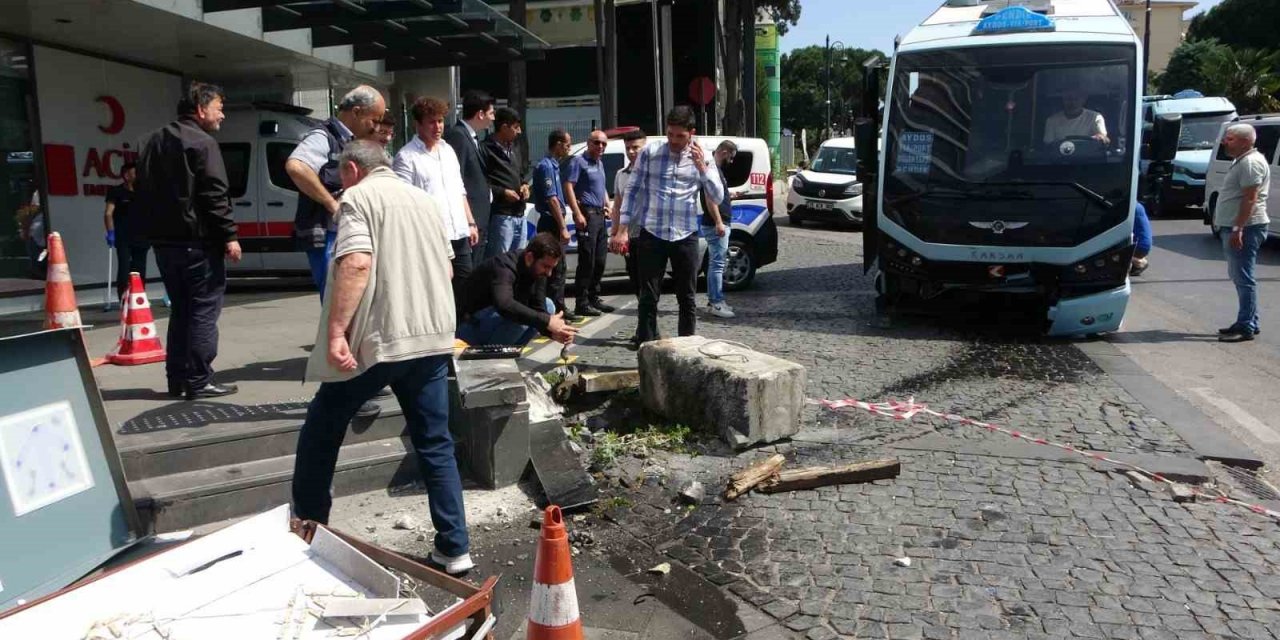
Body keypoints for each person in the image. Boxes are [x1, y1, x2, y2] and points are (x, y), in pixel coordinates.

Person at [291, 140, 473, 575]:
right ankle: (455, 548)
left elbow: (355, 263)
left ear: (352, 169)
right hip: (431, 338)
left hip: (380, 339)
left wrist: (337, 332)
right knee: (435, 442)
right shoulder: (425, 201)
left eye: (340, 174)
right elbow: (446, 269)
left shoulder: (357, 198)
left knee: (322, 429)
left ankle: (309, 528)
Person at [136, 81, 241, 400]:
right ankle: (198, 379)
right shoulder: (203, 143)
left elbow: (142, 191)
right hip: (197, 242)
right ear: (200, 108)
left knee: (181, 310)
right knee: (203, 309)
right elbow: (213, 194)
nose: (222, 115)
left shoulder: (150, 141)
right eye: (219, 108)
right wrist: (230, 235)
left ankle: (178, 378)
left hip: (164, 244)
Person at [610, 106, 724, 347]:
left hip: (685, 235)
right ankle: (648, 350)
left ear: (691, 133)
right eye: (670, 134)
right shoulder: (651, 152)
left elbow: (718, 195)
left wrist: (702, 168)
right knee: (648, 297)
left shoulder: (703, 156)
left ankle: (686, 353)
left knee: (687, 298)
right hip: (653, 233)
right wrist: (621, 229)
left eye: (680, 136)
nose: (673, 141)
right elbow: (632, 191)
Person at [285, 85, 386, 299]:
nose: (376, 127)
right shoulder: (323, 136)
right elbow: (296, 167)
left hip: (347, 231)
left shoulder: (354, 142)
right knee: (337, 298)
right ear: (357, 112)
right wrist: (331, 204)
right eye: (374, 120)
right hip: (328, 234)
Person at [393, 96, 480, 315]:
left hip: (458, 232)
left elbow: (459, 189)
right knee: (437, 290)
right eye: (431, 122)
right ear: (418, 124)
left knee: (465, 285)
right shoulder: (406, 157)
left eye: (440, 121)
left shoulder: (448, 151)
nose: (438, 127)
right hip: (431, 236)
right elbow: (404, 202)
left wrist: (470, 222)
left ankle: (460, 333)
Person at [458, 232, 579, 347]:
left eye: (552, 268)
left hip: (492, 319)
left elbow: (539, 307)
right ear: (530, 257)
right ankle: (494, 355)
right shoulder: (503, 266)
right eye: (546, 266)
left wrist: (553, 332)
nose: (549, 273)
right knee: (521, 314)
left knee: (548, 306)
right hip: (469, 325)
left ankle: (510, 353)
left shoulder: (538, 270)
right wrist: (547, 321)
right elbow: (504, 305)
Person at [1215, 123, 1271, 343]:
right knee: (1240, 276)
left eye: (1230, 138)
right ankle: (1248, 321)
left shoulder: (1250, 163)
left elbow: (1250, 198)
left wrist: (1238, 228)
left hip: (1246, 228)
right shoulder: (1242, 160)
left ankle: (1246, 326)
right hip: (1237, 227)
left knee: (1243, 278)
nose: (1224, 142)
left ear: (1245, 141)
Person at [564, 130, 615, 317]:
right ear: (588, 143)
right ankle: (582, 302)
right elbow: (569, 185)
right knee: (587, 260)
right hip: (587, 214)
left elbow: (601, 188)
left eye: (603, 144)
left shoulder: (599, 163)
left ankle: (594, 297)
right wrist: (577, 213)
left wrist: (607, 204)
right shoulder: (579, 162)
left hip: (600, 215)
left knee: (600, 260)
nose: (600, 146)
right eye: (596, 143)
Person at [532, 129, 578, 321]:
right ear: (558, 144)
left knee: (558, 268)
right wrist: (562, 227)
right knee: (554, 268)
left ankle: (557, 305)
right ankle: (554, 308)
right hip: (551, 222)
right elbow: (552, 200)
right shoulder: (546, 167)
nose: (568, 148)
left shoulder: (554, 166)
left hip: (553, 220)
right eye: (567, 144)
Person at [609, 129, 648, 346]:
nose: (632, 152)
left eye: (636, 148)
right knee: (637, 286)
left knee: (647, 288)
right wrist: (614, 233)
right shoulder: (621, 175)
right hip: (629, 237)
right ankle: (648, 330)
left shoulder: (652, 174)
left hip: (649, 236)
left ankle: (645, 332)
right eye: (629, 148)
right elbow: (617, 206)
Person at [444, 90, 494, 250]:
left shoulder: (472, 137)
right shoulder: (458, 136)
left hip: (479, 217)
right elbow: (456, 179)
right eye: (491, 113)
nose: (493, 118)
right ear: (480, 114)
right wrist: (469, 219)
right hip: (470, 219)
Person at [480, 108, 530, 259]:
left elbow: (521, 176)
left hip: (520, 215)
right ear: (504, 127)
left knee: (517, 262)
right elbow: (480, 183)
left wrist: (525, 186)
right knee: (499, 263)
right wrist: (502, 193)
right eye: (516, 127)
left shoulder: (514, 149)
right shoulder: (485, 149)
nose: (519, 131)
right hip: (500, 217)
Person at [104, 161, 149, 301]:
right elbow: (108, 213)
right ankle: (123, 299)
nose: (138, 176)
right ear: (126, 175)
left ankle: (138, 299)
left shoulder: (144, 192)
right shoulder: (116, 192)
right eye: (135, 173)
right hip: (123, 237)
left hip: (142, 237)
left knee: (140, 269)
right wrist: (111, 232)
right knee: (124, 269)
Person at [702, 140, 736, 319]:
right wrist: (718, 222)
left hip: (718, 221)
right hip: (717, 223)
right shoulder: (711, 169)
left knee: (716, 264)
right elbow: (709, 197)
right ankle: (716, 301)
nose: (731, 160)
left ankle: (714, 301)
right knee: (717, 264)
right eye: (731, 156)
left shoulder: (716, 169)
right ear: (724, 152)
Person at [1043, 90, 1108, 145]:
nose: (1072, 102)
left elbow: (1103, 138)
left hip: (1088, 157)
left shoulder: (1095, 117)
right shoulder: (1052, 121)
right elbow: (1049, 146)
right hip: (1061, 158)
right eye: (1068, 99)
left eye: (1076, 99)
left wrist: (1100, 138)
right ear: (1063, 99)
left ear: (1084, 100)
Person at [1131, 201, 1152, 277]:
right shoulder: (1137, 206)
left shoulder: (1131, 207)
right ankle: (1137, 261)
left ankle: (1139, 261)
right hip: (1144, 245)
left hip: (1139, 245)